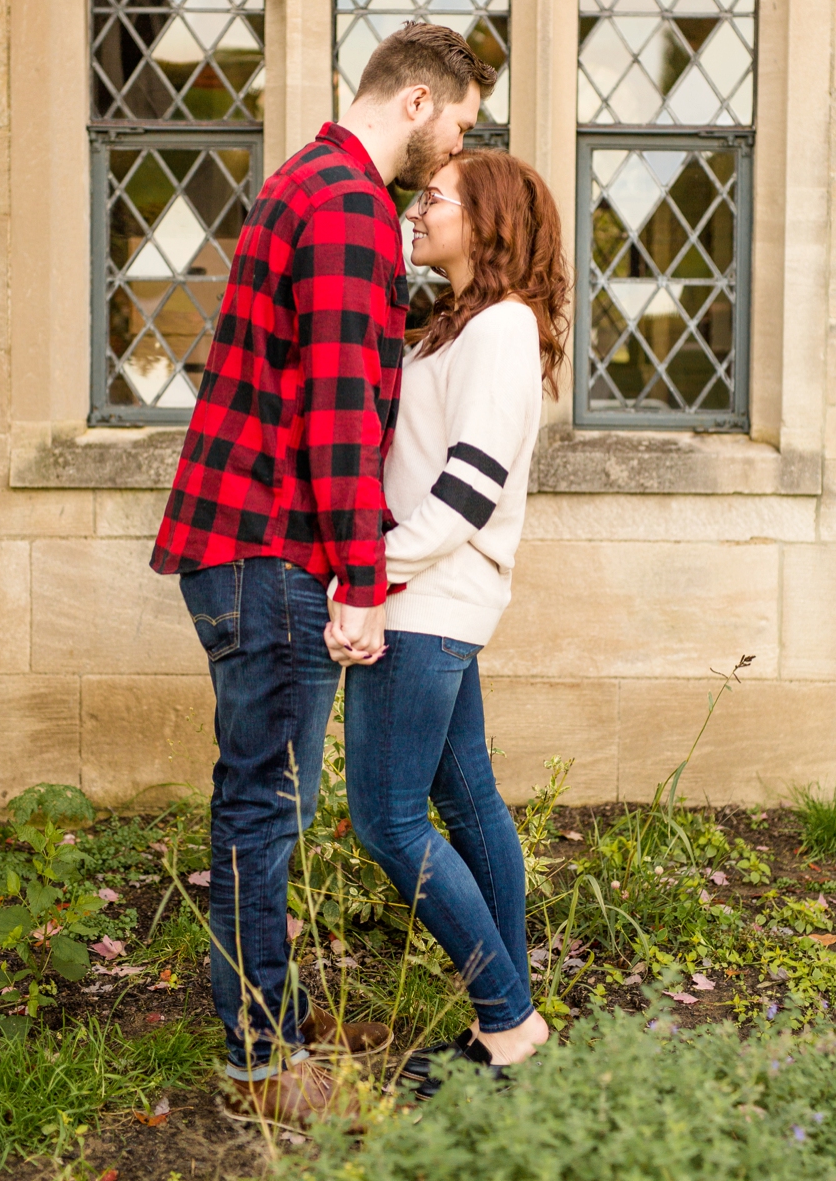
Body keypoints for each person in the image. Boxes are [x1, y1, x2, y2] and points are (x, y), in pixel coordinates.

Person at [151, 23, 496, 1127]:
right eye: (461, 124)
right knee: (264, 806)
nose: (456, 149)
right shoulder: (347, 206)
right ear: (417, 102)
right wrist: (358, 577)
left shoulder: (302, 180)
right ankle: (266, 1056)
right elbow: (338, 416)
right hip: (273, 550)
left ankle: (267, 1028)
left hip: (241, 542)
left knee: (256, 799)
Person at [329, 149, 569, 1093]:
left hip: (428, 597)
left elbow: (468, 487)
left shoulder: (503, 328)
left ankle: (509, 1023)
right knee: (466, 802)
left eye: (434, 199)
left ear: (489, 222)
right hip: (431, 595)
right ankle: (510, 1025)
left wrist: (367, 575)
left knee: (387, 820)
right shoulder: (449, 328)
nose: (415, 210)